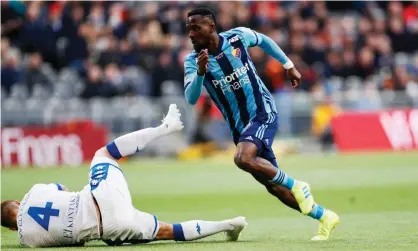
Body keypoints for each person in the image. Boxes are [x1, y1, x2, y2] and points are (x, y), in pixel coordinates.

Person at [183, 8, 339, 241]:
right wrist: (201, 73)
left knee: (242, 158)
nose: (191, 34)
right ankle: (324, 216)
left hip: (262, 111)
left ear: (211, 27)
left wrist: (288, 65)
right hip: (241, 128)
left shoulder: (237, 37)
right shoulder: (192, 61)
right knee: (273, 186)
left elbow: (265, 41)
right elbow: (191, 98)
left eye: (196, 28)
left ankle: (298, 184)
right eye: (189, 29)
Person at [1, 104, 247, 248]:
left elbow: (75, 243)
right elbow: (62, 188)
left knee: (167, 231)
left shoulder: (28, 239)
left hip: (110, 228)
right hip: (102, 194)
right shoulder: (33, 192)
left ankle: (227, 225)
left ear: (12, 228)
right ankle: (165, 128)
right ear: (18, 203)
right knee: (104, 154)